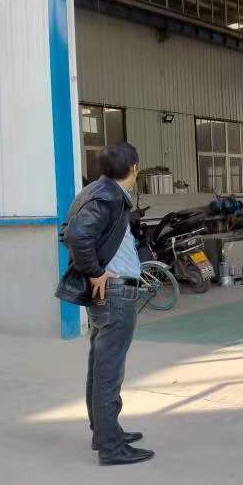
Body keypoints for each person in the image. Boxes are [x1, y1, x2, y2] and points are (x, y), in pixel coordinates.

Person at [55, 142, 155, 466]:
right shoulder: (108, 196)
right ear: (134, 168)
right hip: (115, 293)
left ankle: (105, 433)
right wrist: (96, 271)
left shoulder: (96, 192)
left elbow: (69, 231)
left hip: (109, 292)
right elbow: (76, 236)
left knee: (101, 365)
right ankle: (111, 447)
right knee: (109, 369)